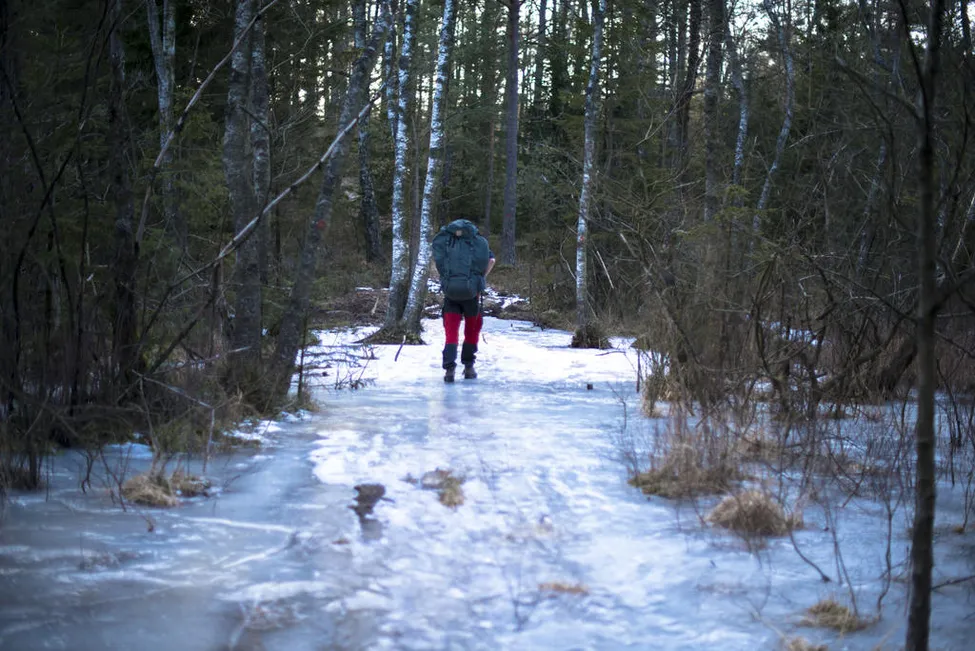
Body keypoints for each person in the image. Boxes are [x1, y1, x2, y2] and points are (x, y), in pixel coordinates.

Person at [432, 219, 496, 383]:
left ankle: (449, 369)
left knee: (451, 333)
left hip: (451, 294)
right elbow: (491, 261)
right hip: (471, 295)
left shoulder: (447, 241)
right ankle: (468, 367)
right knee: (472, 331)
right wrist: (480, 279)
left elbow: (439, 261)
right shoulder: (478, 242)